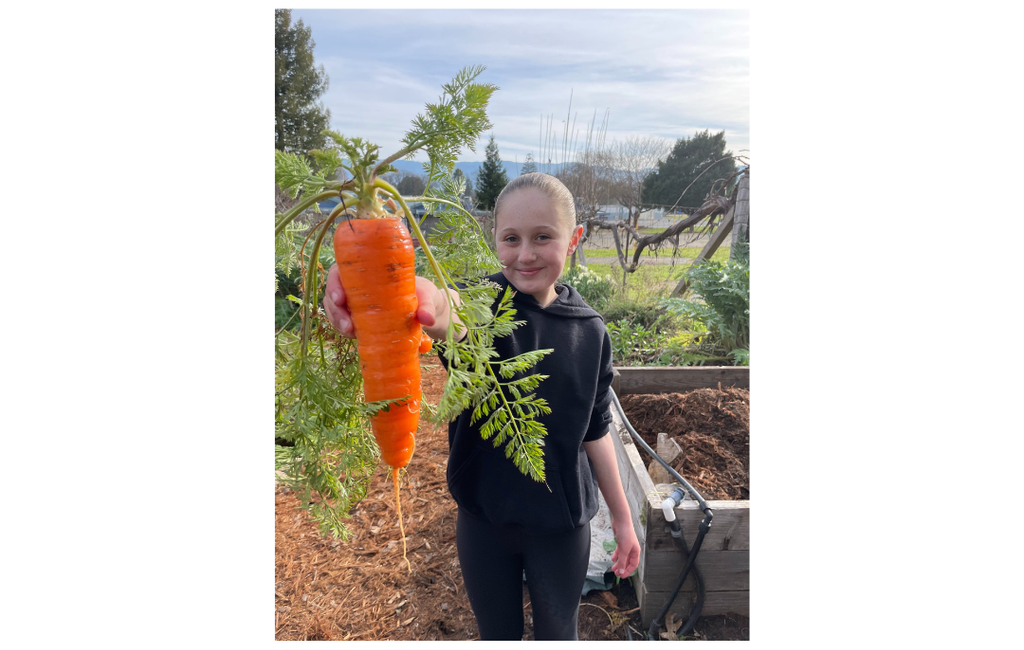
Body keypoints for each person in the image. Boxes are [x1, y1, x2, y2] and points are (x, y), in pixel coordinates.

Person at [322, 172, 641, 641]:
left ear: (573, 239)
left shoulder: (590, 332)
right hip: (484, 525)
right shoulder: (479, 305)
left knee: (560, 634)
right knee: (496, 635)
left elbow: (596, 430)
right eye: (511, 238)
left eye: (543, 237)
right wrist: (383, 278)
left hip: (562, 527)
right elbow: (441, 308)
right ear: (495, 238)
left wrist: (623, 518)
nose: (525, 254)